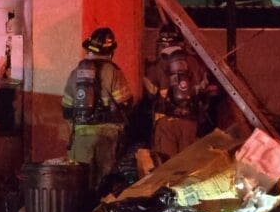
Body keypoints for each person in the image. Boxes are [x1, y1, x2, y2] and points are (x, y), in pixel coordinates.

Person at [61, 27, 134, 190]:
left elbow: (66, 109)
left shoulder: (76, 74)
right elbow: (127, 103)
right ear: (111, 50)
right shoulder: (113, 72)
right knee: (104, 184)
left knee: (78, 183)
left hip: (80, 137)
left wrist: (75, 130)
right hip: (107, 137)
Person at [143, 23, 208, 162]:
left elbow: (150, 93)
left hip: (165, 122)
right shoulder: (194, 62)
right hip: (190, 121)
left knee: (166, 167)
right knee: (188, 166)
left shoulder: (157, 65)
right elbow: (203, 89)